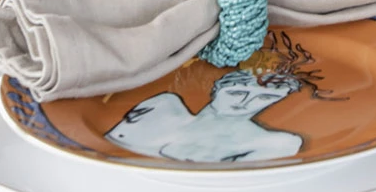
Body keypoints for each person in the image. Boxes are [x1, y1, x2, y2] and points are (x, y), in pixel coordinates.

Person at [106, 67, 305, 163]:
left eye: (265, 97)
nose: (246, 102)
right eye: (236, 93)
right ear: (217, 88)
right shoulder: (163, 106)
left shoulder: (276, 142)